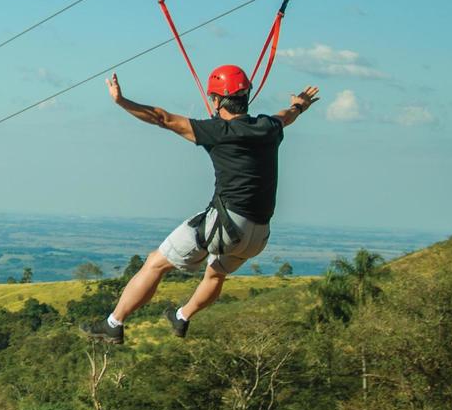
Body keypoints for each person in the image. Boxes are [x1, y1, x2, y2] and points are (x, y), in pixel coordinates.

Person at [82, 64, 319, 343]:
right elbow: (285, 116)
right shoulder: (268, 127)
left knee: (156, 263)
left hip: (227, 225)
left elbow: (162, 118)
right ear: (245, 98)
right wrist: (299, 106)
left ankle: (114, 323)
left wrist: (121, 101)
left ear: (217, 101)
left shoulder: (218, 131)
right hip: (259, 235)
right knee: (216, 273)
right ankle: (182, 317)